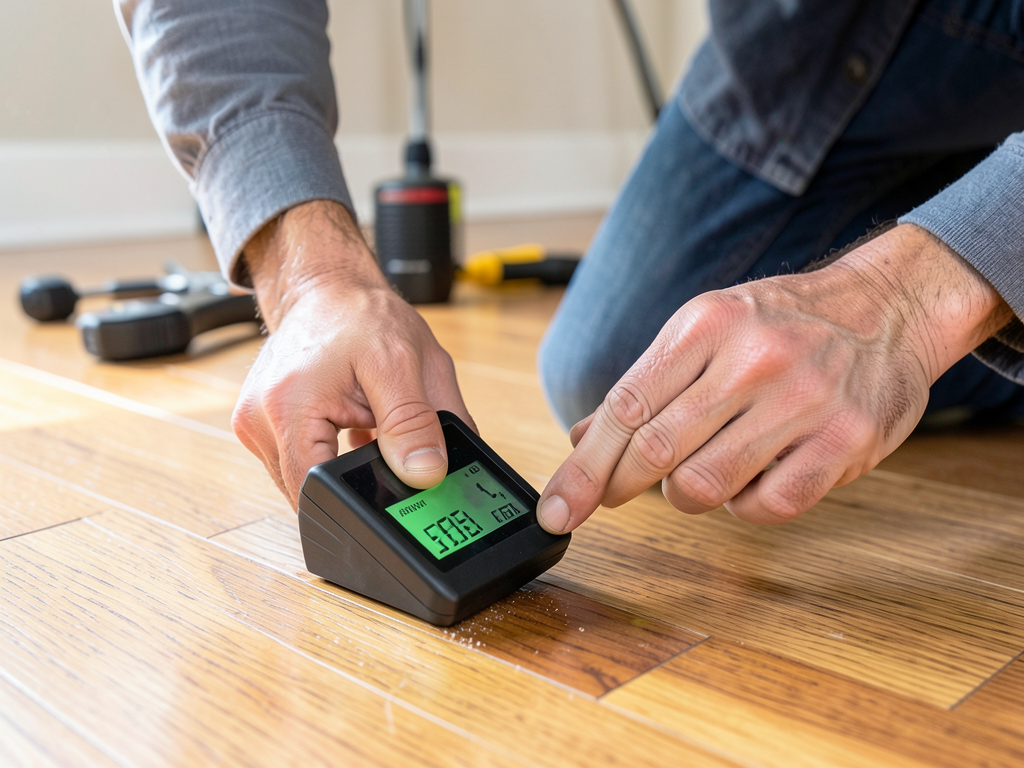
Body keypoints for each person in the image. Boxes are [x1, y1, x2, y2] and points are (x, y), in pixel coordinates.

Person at [116, 0, 1024, 536]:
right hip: (819, 34)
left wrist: (907, 302)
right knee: (624, 368)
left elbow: (900, 306)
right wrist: (311, 274)